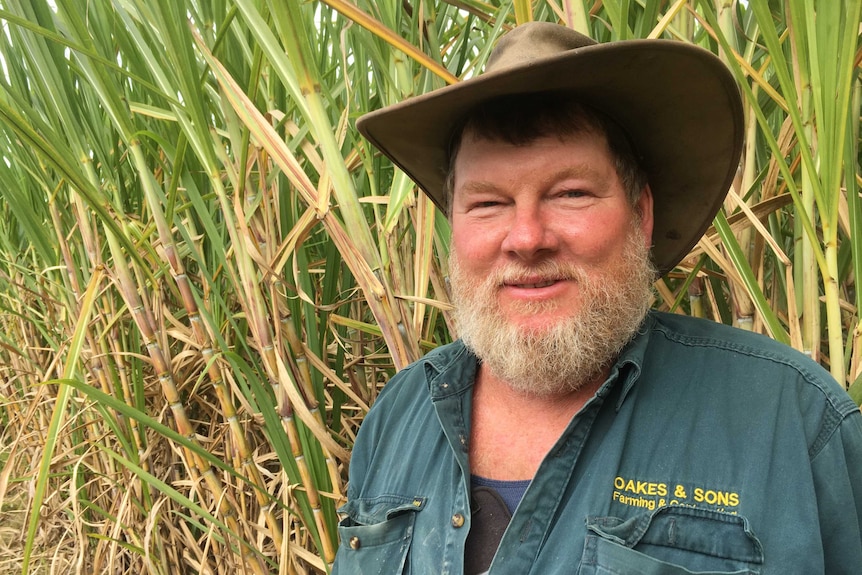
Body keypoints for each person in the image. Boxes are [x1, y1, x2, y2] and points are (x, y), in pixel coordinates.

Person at [332, 22, 862, 574]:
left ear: (642, 214)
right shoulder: (397, 417)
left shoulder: (793, 423)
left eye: (570, 194)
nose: (527, 238)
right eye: (488, 203)